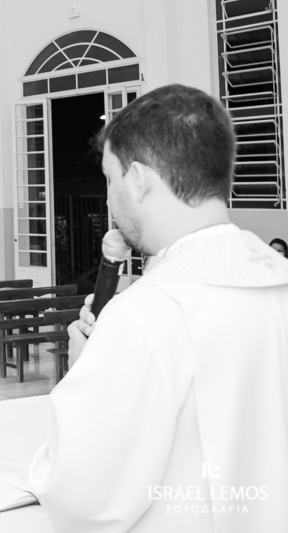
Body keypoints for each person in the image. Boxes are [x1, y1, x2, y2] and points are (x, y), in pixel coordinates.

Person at [29, 84, 288, 531]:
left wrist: (84, 369)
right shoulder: (277, 277)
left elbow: (82, 497)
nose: (109, 199)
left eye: (109, 179)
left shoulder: (146, 315)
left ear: (138, 178)